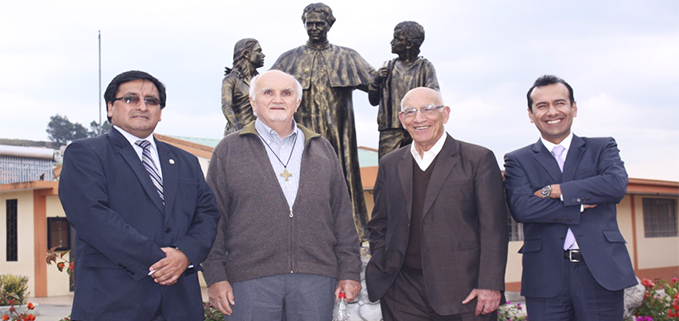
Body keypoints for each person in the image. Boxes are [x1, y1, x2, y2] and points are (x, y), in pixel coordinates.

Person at [58, 70, 220, 320]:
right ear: (111, 107)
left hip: (180, 303)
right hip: (113, 302)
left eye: (151, 101)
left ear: (160, 111)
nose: (142, 106)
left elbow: (208, 214)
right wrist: (162, 261)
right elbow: (93, 218)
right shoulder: (85, 154)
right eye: (131, 99)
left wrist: (185, 255)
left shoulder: (185, 161)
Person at [202, 70, 362, 321]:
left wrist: (350, 270)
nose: (278, 99)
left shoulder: (322, 148)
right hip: (250, 280)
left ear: (297, 102)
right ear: (253, 102)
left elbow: (342, 215)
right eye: (268, 93)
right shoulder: (228, 151)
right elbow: (213, 220)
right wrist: (215, 277)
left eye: (286, 93)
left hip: (316, 280)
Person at [366, 87, 508, 320]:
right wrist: (383, 259)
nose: (419, 118)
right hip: (402, 292)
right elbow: (380, 223)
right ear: (402, 120)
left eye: (428, 109)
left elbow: (493, 229)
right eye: (410, 112)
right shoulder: (391, 164)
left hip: (463, 292)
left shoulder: (477, 159)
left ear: (445, 114)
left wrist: (489, 284)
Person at [503, 75, 637, 320]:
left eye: (560, 103)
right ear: (531, 115)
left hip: (601, 272)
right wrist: (581, 203)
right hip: (545, 275)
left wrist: (553, 191)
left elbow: (615, 186)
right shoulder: (517, 160)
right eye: (542, 106)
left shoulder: (602, 147)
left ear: (573, 108)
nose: (552, 111)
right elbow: (522, 208)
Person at [271, 2, 375, 239]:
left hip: (340, 134)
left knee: (343, 178)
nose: (315, 28)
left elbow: (377, 89)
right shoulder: (288, 60)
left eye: (320, 23)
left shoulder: (348, 56)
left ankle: (354, 232)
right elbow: (265, 92)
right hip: (301, 137)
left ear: (330, 24)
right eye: (310, 24)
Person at [368, 21, 439, 159]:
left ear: (409, 44)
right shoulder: (387, 67)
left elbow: (433, 97)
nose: (392, 42)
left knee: (420, 166)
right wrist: (375, 81)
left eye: (397, 38)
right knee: (388, 169)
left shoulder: (425, 67)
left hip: (417, 127)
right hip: (390, 129)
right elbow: (373, 100)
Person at [222, 38, 265, 136]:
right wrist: (237, 128)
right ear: (246, 54)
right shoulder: (231, 80)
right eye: (258, 51)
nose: (263, 55)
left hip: (259, 133)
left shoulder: (261, 81)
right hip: (238, 132)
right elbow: (226, 106)